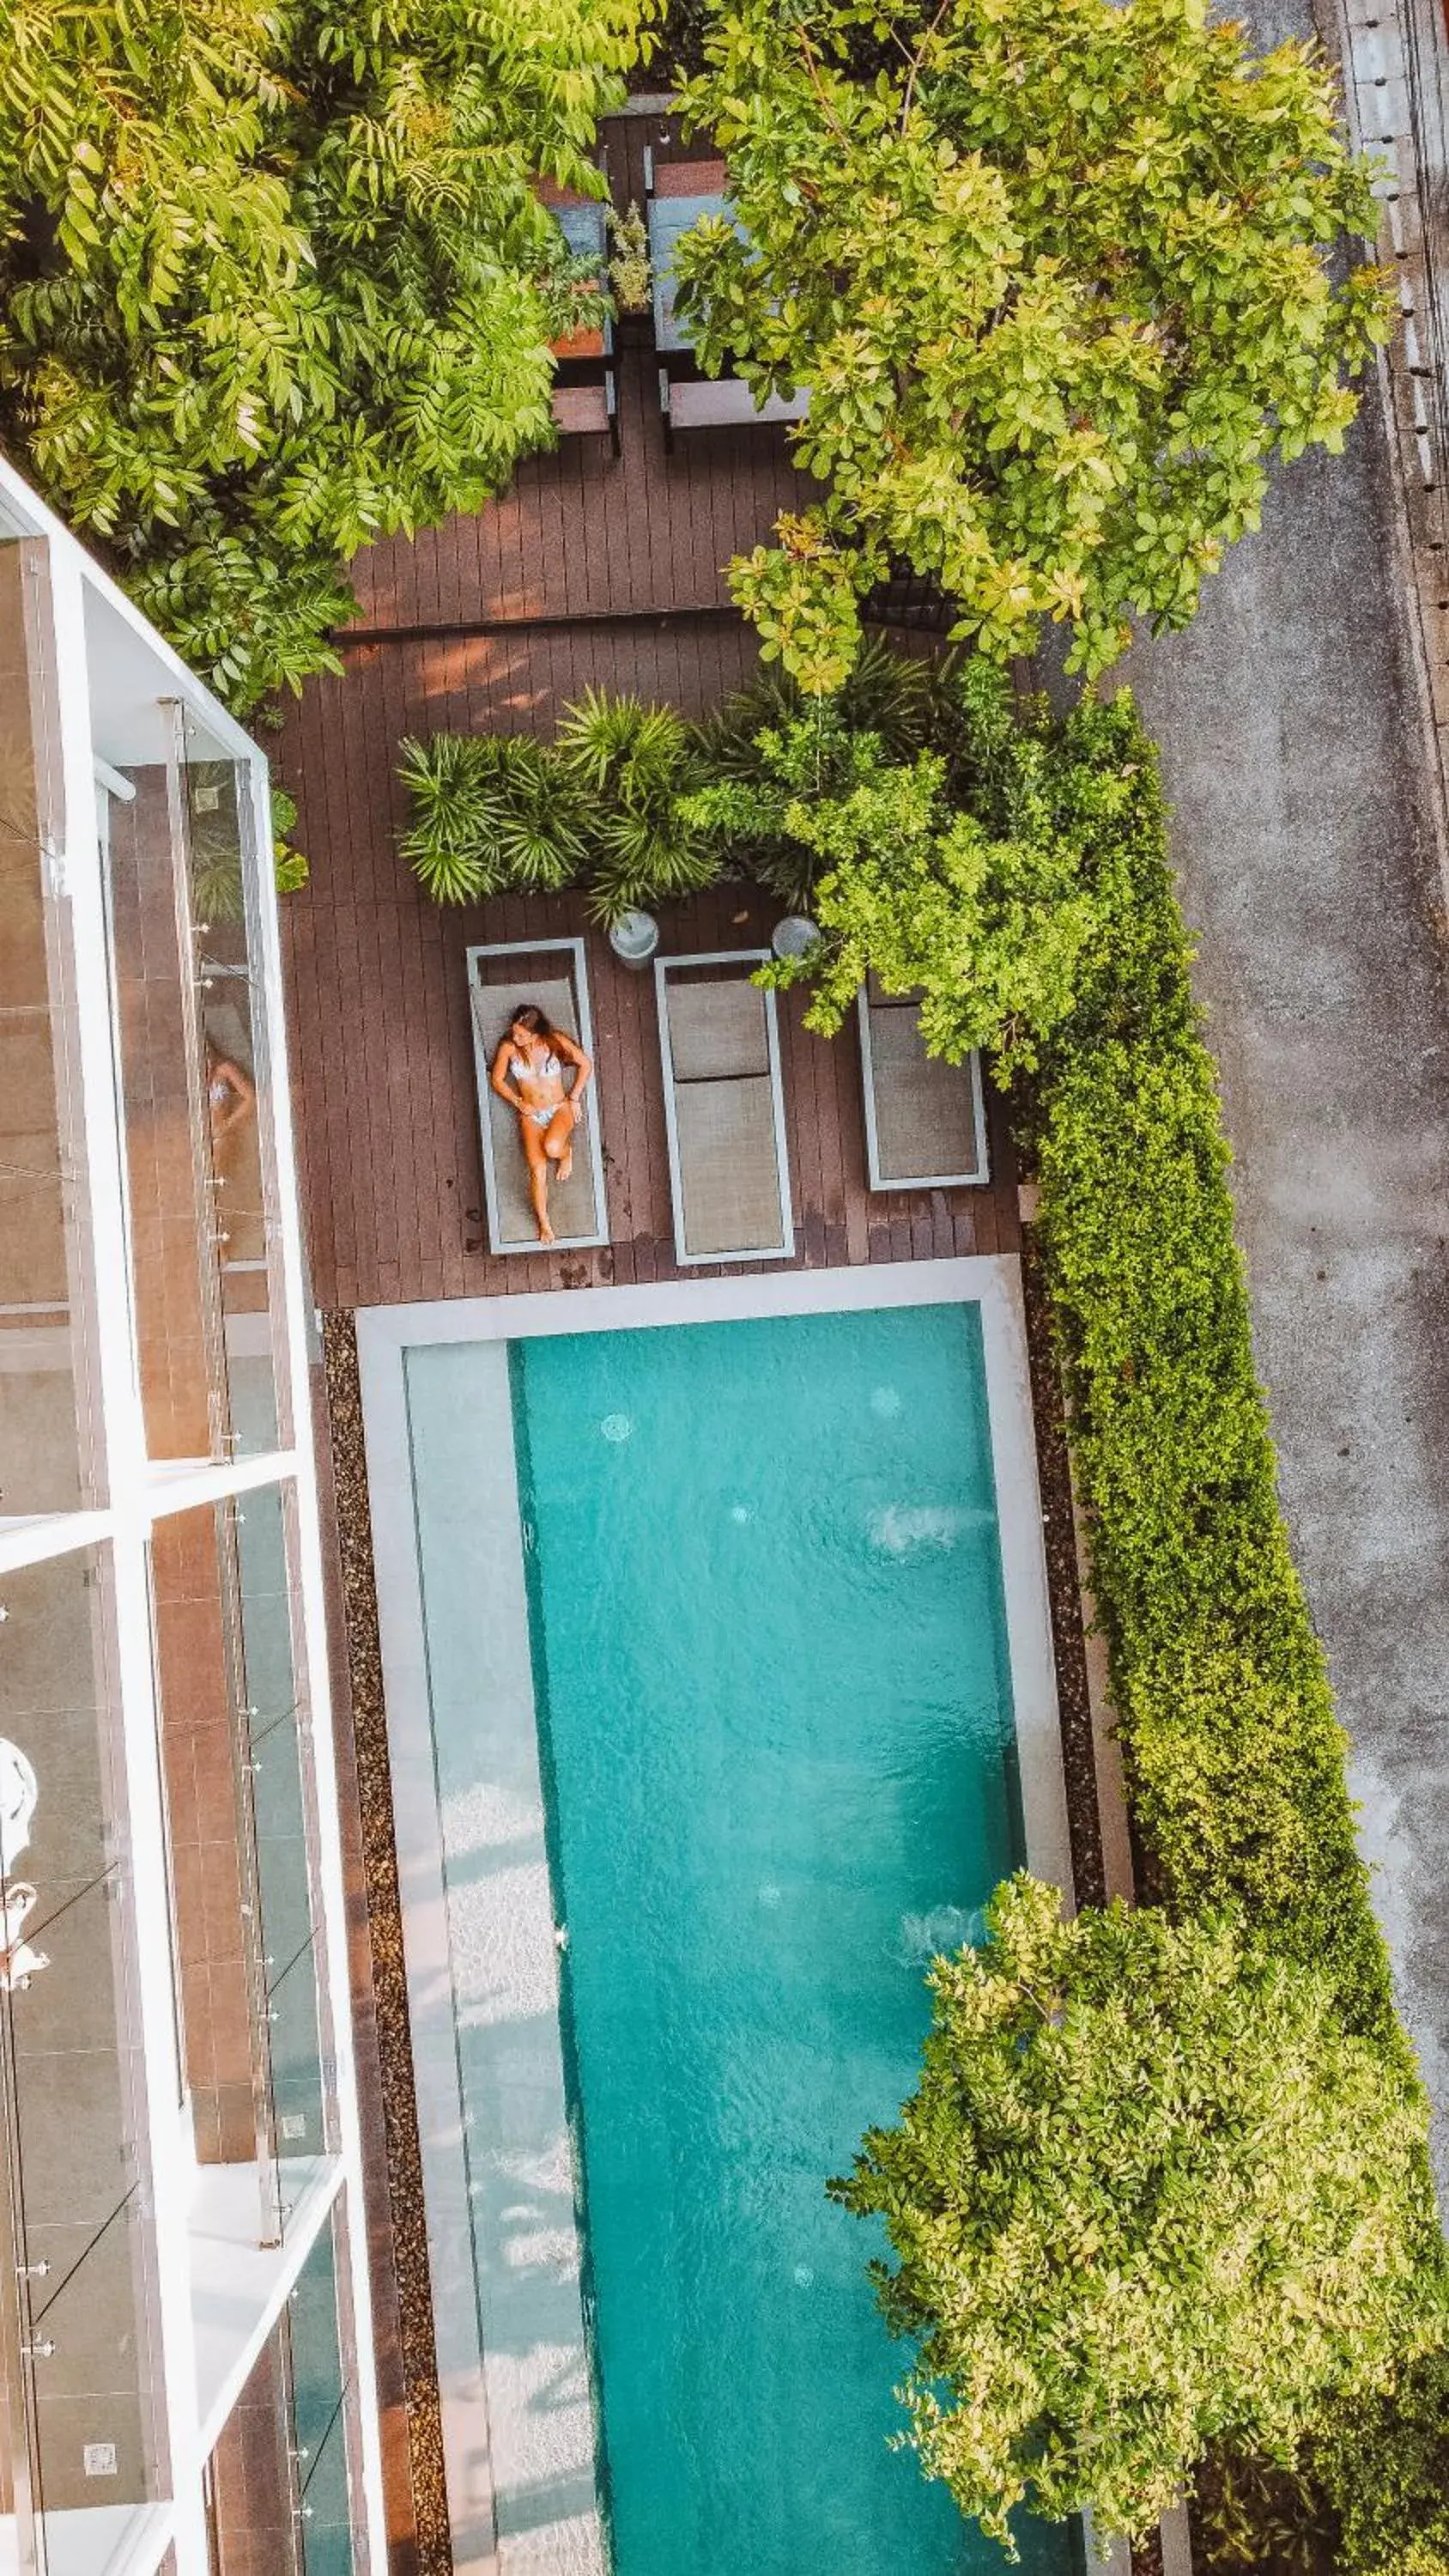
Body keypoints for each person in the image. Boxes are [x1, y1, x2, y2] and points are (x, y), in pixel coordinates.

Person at [489, 1005, 593, 1245]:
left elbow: (585, 1064)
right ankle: (545, 1224)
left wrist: (574, 1097)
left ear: (536, 1034)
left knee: (553, 1148)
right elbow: (497, 1080)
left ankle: (566, 1153)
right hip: (531, 1115)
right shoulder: (508, 1048)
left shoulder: (554, 1041)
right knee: (537, 1171)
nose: (516, 1038)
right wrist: (518, 1102)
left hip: (558, 1108)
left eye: (522, 1036)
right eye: (514, 1032)